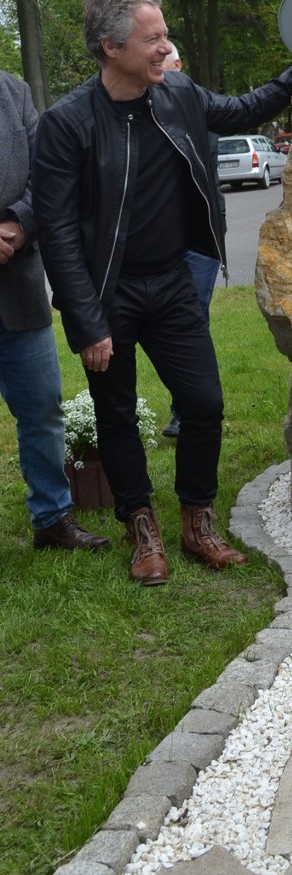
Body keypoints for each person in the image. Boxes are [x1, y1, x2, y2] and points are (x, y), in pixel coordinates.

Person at [32, 0, 292, 586]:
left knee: (204, 405)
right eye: (153, 38)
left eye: (165, 34)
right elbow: (58, 233)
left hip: (171, 281)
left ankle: (198, 522)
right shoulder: (67, 124)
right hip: (105, 294)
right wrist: (87, 319)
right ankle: (141, 527)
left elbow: (245, 109)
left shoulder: (176, 94)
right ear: (110, 47)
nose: (165, 48)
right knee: (115, 415)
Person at [0, 69, 109, 553]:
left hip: (18, 289)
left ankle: (52, 517)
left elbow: (45, 178)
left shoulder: (14, 91)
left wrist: (17, 227)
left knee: (42, 411)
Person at [159, 43, 222, 440]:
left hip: (200, 242)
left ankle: (188, 411)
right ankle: (187, 405)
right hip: (162, 242)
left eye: (163, 55)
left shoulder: (199, 111)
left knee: (193, 317)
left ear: (179, 65)